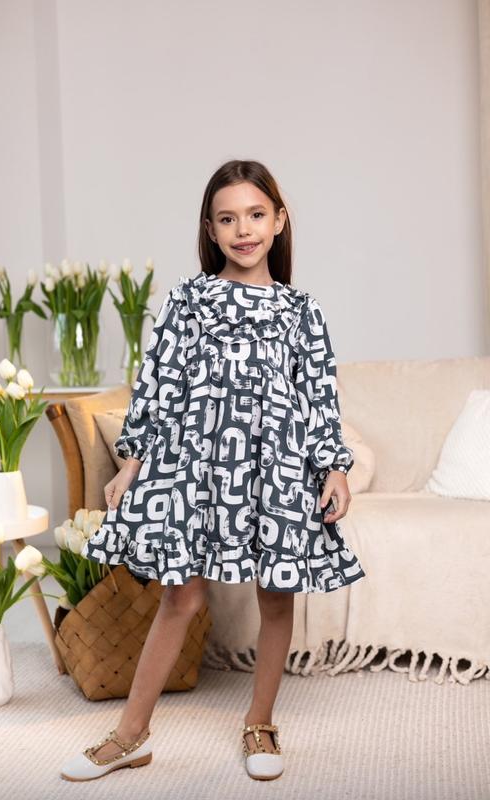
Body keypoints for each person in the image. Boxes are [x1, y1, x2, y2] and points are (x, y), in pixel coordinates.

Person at [60, 159, 366, 783]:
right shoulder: (189, 299)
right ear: (210, 228)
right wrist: (132, 462)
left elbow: (318, 396)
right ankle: (130, 734)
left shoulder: (302, 311)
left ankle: (260, 722)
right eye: (227, 219)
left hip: (276, 469)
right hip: (197, 469)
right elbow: (159, 384)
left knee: (276, 595)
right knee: (182, 594)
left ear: (279, 220)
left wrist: (333, 468)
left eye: (255, 215)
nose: (243, 230)